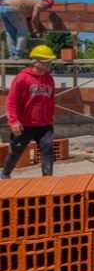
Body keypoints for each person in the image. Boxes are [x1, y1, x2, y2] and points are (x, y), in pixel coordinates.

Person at [2, 45, 57, 178]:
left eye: (50, 61)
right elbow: (11, 101)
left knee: (47, 150)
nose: (49, 64)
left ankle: (47, 179)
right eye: (46, 61)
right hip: (24, 124)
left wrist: (50, 116)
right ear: (36, 62)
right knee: (16, 150)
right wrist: (14, 121)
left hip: (44, 125)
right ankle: (5, 174)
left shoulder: (49, 79)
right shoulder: (22, 78)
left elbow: (50, 100)